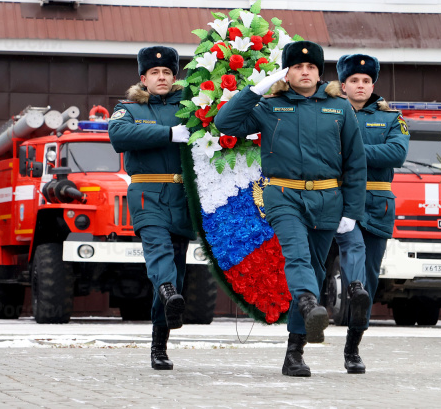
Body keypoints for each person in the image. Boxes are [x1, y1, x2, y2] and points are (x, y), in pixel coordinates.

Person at [215, 41, 367, 377]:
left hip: (328, 200)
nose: (305, 72)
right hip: (283, 196)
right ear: (287, 72)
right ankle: (311, 305)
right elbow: (224, 123)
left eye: (311, 67)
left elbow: (356, 163)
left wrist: (352, 211)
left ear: (318, 72)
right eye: (298, 67)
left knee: (313, 271)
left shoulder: (339, 109)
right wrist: (254, 90)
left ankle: (294, 353)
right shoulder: (270, 106)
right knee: (297, 258)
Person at [108, 46, 194, 371]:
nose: (161, 77)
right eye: (155, 73)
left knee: (176, 272)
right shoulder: (128, 108)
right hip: (147, 192)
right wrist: (169, 133)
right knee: (159, 253)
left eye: (167, 73)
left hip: (181, 197)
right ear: (143, 79)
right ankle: (168, 289)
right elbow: (118, 135)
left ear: (175, 77)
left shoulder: (189, 109)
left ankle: (160, 344)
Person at [333, 54, 410, 374]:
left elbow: (397, 153)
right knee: (354, 253)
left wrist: (350, 152)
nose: (360, 85)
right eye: (354, 80)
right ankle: (353, 292)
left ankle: (353, 347)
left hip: (377, 202)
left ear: (373, 85)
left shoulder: (392, 118)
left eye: (366, 81)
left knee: (370, 274)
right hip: (339, 199)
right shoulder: (330, 112)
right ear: (343, 84)